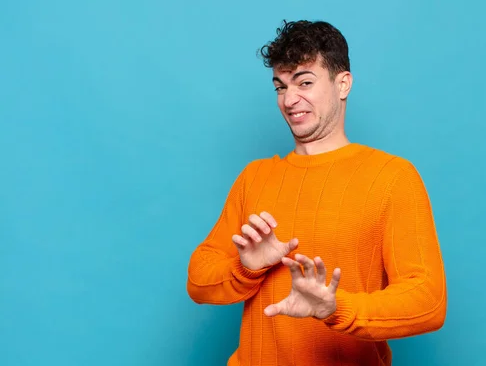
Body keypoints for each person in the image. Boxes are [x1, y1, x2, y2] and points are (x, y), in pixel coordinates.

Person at [187, 19, 447, 366]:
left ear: (343, 84)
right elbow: (198, 280)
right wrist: (247, 269)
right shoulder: (255, 177)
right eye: (280, 87)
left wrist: (336, 308)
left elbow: (428, 300)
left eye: (304, 82)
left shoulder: (392, 177)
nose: (289, 99)